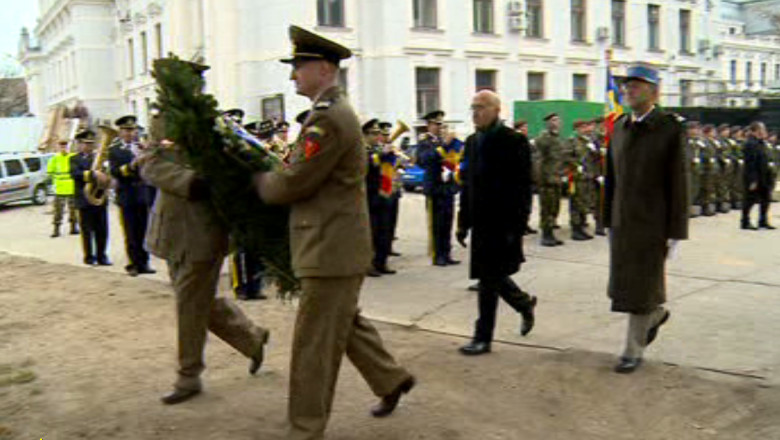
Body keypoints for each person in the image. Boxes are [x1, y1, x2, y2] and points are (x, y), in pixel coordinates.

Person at [254, 26, 415, 440]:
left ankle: (305, 428)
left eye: (298, 68)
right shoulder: (328, 114)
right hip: (333, 244)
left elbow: (295, 182)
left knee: (314, 345)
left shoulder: (327, 119)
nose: (293, 77)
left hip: (330, 247)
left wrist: (256, 181)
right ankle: (391, 378)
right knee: (343, 324)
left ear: (323, 69)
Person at [140, 69, 270, 405]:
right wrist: (189, 182)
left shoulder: (217, 126)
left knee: (189, 305)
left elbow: (239, 166)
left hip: (203, 231)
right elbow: (149, 164)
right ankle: (251, 337)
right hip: (171, 229)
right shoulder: (162, 121)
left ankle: (188, 377)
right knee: (198, 303)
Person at [604, 64, 689, 374]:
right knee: (627, 285)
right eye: (627, 85)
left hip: (653, 223)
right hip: (622, 221)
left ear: (655, 91)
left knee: (642, 285)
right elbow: (611, 176)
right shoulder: (621, 126)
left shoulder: (669, 128)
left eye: (637, 85)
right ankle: (653, 316)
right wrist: (607, 218)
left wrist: (676, 231)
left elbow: (679, 181)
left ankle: (632, 349)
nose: (629, 90)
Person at [456, 90, 536, 356]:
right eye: (472, 107)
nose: (475, 112)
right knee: (490, 276)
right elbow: (468, 185)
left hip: (503, 224)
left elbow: (523, 188)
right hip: (480, 222)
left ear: (496, 110)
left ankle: (483, 337)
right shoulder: (471, 141)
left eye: (480, 107)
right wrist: (462, 221)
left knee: (488, 279)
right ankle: (524, 304)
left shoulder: (513, 141)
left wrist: (517, 227)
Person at [108, 115, 156, 276]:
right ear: (120, 132)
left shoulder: (141, 147)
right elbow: (115, 171)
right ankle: (134, 263)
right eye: (127, 130)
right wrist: (131, 166)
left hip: (142, 193)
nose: (130, 133)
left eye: (133, 130)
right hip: (127, 194)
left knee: (144, 230)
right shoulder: (114, 150)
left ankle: (145, 262)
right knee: (131, 232)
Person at [417, 110, 461, 266]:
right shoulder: (424, 141)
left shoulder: (445, 140)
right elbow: (423, 160)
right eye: (436, 124)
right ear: (428, 125)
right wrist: (443, 146)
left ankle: (447, 253)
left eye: (441, 124)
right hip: (434, 188)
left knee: (447, 222)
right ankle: (437, 255)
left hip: (447, 187)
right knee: (436, 223)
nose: (439, 127)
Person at [70, 130, 111, 266]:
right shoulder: (74, 159)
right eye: (86, 144)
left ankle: (102, 256)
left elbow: (107, 174)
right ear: (79, 144)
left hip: (99, 198)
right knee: (87, 231)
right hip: (84, 199)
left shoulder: (99, 158)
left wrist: (105, 174)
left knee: (102, 230)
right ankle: (89, 257)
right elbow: (75, 174)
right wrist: (94, 174)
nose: (89, 146)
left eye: (91, 143)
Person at [364, 118, 396, 276]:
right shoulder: (362, 151)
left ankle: (382, 262)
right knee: (372, 232)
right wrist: (379, 155)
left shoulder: (378, 150)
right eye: (374, 133)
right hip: (369, 197)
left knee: (385, 231)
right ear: (365, 135)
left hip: (383, 195)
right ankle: (369, 264)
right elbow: (364, 167)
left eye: (378, 133)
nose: (377, 136)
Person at [535, 113, 564, 246]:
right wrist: (542, 178)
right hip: (547, 179)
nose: (556, 122)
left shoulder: (557, 138)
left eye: (557, 120)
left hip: (556, 178)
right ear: (547, 122)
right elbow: (539, 159)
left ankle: (551, 233)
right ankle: (546, 235)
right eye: (553, 120)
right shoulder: (544, 138)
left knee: (554, 207)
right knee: (546, 208)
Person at [564, 120, 596, 241]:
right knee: (576, 203)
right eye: (582, 127)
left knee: (584, 202)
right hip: (576, 177)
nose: (585, 129)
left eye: (586, 126)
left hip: (587, 176)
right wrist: (576, 165)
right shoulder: (572, 141)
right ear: (576, 129)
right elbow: (566, 155)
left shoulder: (588, 141)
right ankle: (575, 229)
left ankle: (582, 226)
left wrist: (595, 149)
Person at [741, 121, 775, 230]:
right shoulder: (750, 144)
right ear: (755, 131)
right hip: (755, 176)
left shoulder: (763, 143)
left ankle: (763, 220)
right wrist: (753, 180)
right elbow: (750, 163)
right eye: (762, 130)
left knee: (766, 199)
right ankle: (745, 221)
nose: (764, 132)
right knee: (750, 199)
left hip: (765, 176)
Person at [47, 139, 79, 237]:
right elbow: (50, 172)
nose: (63, 148)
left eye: (65, 146)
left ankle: (73, 227)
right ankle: (56, 229)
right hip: (60, 188)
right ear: (58, 147)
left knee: (73, 209)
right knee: (58, 210)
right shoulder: (54, 159)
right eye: (61, 146)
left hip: (71, 187)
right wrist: (54, 183)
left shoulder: (73, 157)